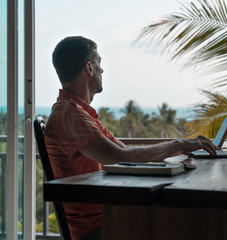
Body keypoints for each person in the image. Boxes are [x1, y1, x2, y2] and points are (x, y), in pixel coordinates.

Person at [44, 36, 217, 240]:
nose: (102, 70)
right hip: (96, 230)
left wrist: (181, 148)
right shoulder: (70, 116)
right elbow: (122, 157)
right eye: (99, 63)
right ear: (89, 68)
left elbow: (126, 152)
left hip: (109, 218)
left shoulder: (80, 113)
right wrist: (178, 143)